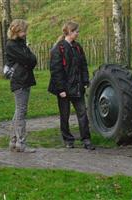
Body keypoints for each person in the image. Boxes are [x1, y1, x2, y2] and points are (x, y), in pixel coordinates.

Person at [48, 21, 95, 150]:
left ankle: (86, 139)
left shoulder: (78, 47)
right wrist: (61, 89)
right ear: (69, 32)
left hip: (77, 87)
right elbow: (55, 71)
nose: (78, 33)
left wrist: (85, 81)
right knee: (65, 115)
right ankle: (68, 139)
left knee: (82, 113)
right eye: (76, 31)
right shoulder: (59, 48)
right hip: (64, 88)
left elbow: (83, 66)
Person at [5, 19, 37, 152]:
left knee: (18, 111)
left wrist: (30, 57)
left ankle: (13, 141)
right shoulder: (12, 45)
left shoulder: (20, 44)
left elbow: (32, 60)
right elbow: (29, 59)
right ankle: (21, 143)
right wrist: (30, 57)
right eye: (23, 31)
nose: (25, 33)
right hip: (20, 80)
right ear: (17, 31)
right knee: (21, 112)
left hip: (24, 79)